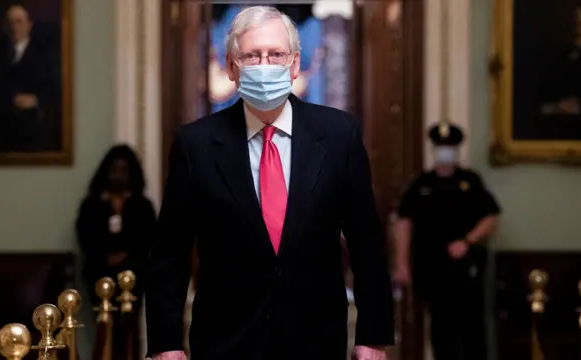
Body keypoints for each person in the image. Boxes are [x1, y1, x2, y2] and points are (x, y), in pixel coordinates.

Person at [146, 6, 394, 360]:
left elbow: (367, 244)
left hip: (315, 340)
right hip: (226, 341)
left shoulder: (339, 135)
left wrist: (373, 336)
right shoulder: (195, 145)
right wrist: (165, 344)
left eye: (276, 55)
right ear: (231, 68)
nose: (265, 65)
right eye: (251, 55)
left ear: (294, 66)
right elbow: (170, 254)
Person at [393, 123, 501, 360]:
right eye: (441, 146)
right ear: (434, 149)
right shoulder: (421, 184)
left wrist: (467, 241)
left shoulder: (470, 182)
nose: (445, 151)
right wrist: (402, 264)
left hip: (465, 269)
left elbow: (491, 216)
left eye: (450, 147)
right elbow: (404, 223)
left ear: (457, 149)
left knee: (473, 330)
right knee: (441, 332)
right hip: (431, 269)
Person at [77, 145, 157, 356]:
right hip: (100, 273)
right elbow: (85, 236)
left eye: (123, 170)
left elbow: (148, 239)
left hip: (134, 274)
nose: (118, 175)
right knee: (105, 325)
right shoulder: (92, 205)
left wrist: (126, 256)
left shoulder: (142, 205)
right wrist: (106, 257)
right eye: (114, 169)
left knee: (129, 327)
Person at [0, 4, 57, 152]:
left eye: (18, 22)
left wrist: (36, 99)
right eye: (10, 23)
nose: (14, 27)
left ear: (29, 25)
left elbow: (54, 87)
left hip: (32, 128)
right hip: (0, 128)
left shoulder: (43, 54)